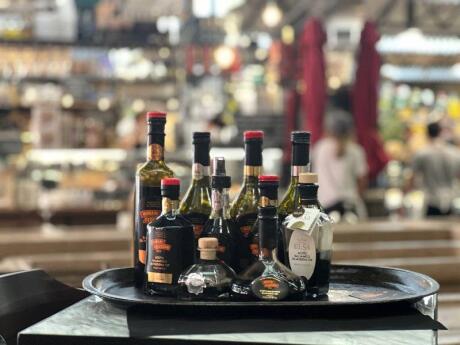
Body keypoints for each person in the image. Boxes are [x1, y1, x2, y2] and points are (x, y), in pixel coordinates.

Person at [312, 110, 368, 220]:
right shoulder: (356, 150)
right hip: (351, 208)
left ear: (328, 129)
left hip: (324, 209)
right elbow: (362, 181)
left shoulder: (320, 148)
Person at [408, 122, 460, 216]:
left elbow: (412, 177)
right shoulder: (455, 153)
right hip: (452, 199)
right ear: (441, 132)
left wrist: (407, 194)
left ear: (427, 134)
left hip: (431, 200)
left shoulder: (422, 153)